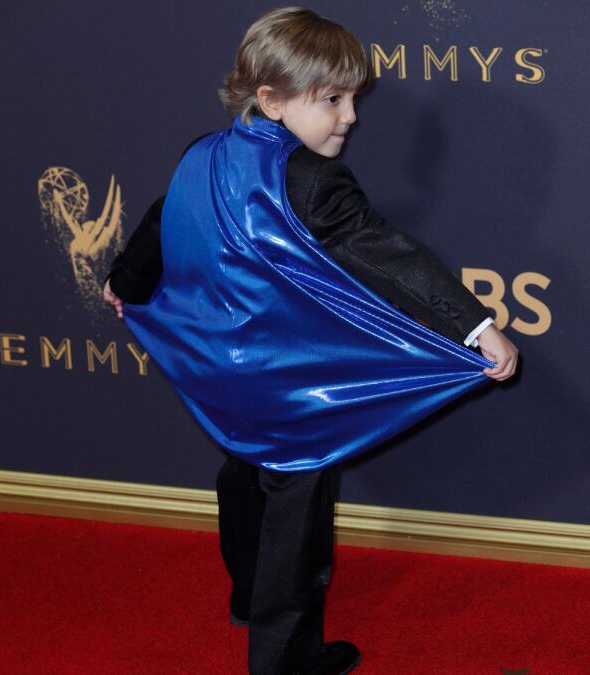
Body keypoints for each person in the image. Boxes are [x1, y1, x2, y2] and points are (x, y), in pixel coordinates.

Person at [103, 7, 517, 674]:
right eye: (331, 100)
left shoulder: (201, 154)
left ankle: (245, 593)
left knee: (241, 476)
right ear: (269, 99)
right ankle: (282, 658)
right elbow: (394, 256)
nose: (349, 117)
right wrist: (476, 325)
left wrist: (123, 278)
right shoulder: (316, 179)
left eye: (352, 98)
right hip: (291, 389)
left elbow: (158, 218)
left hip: (216, 372)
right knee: (295, 517)